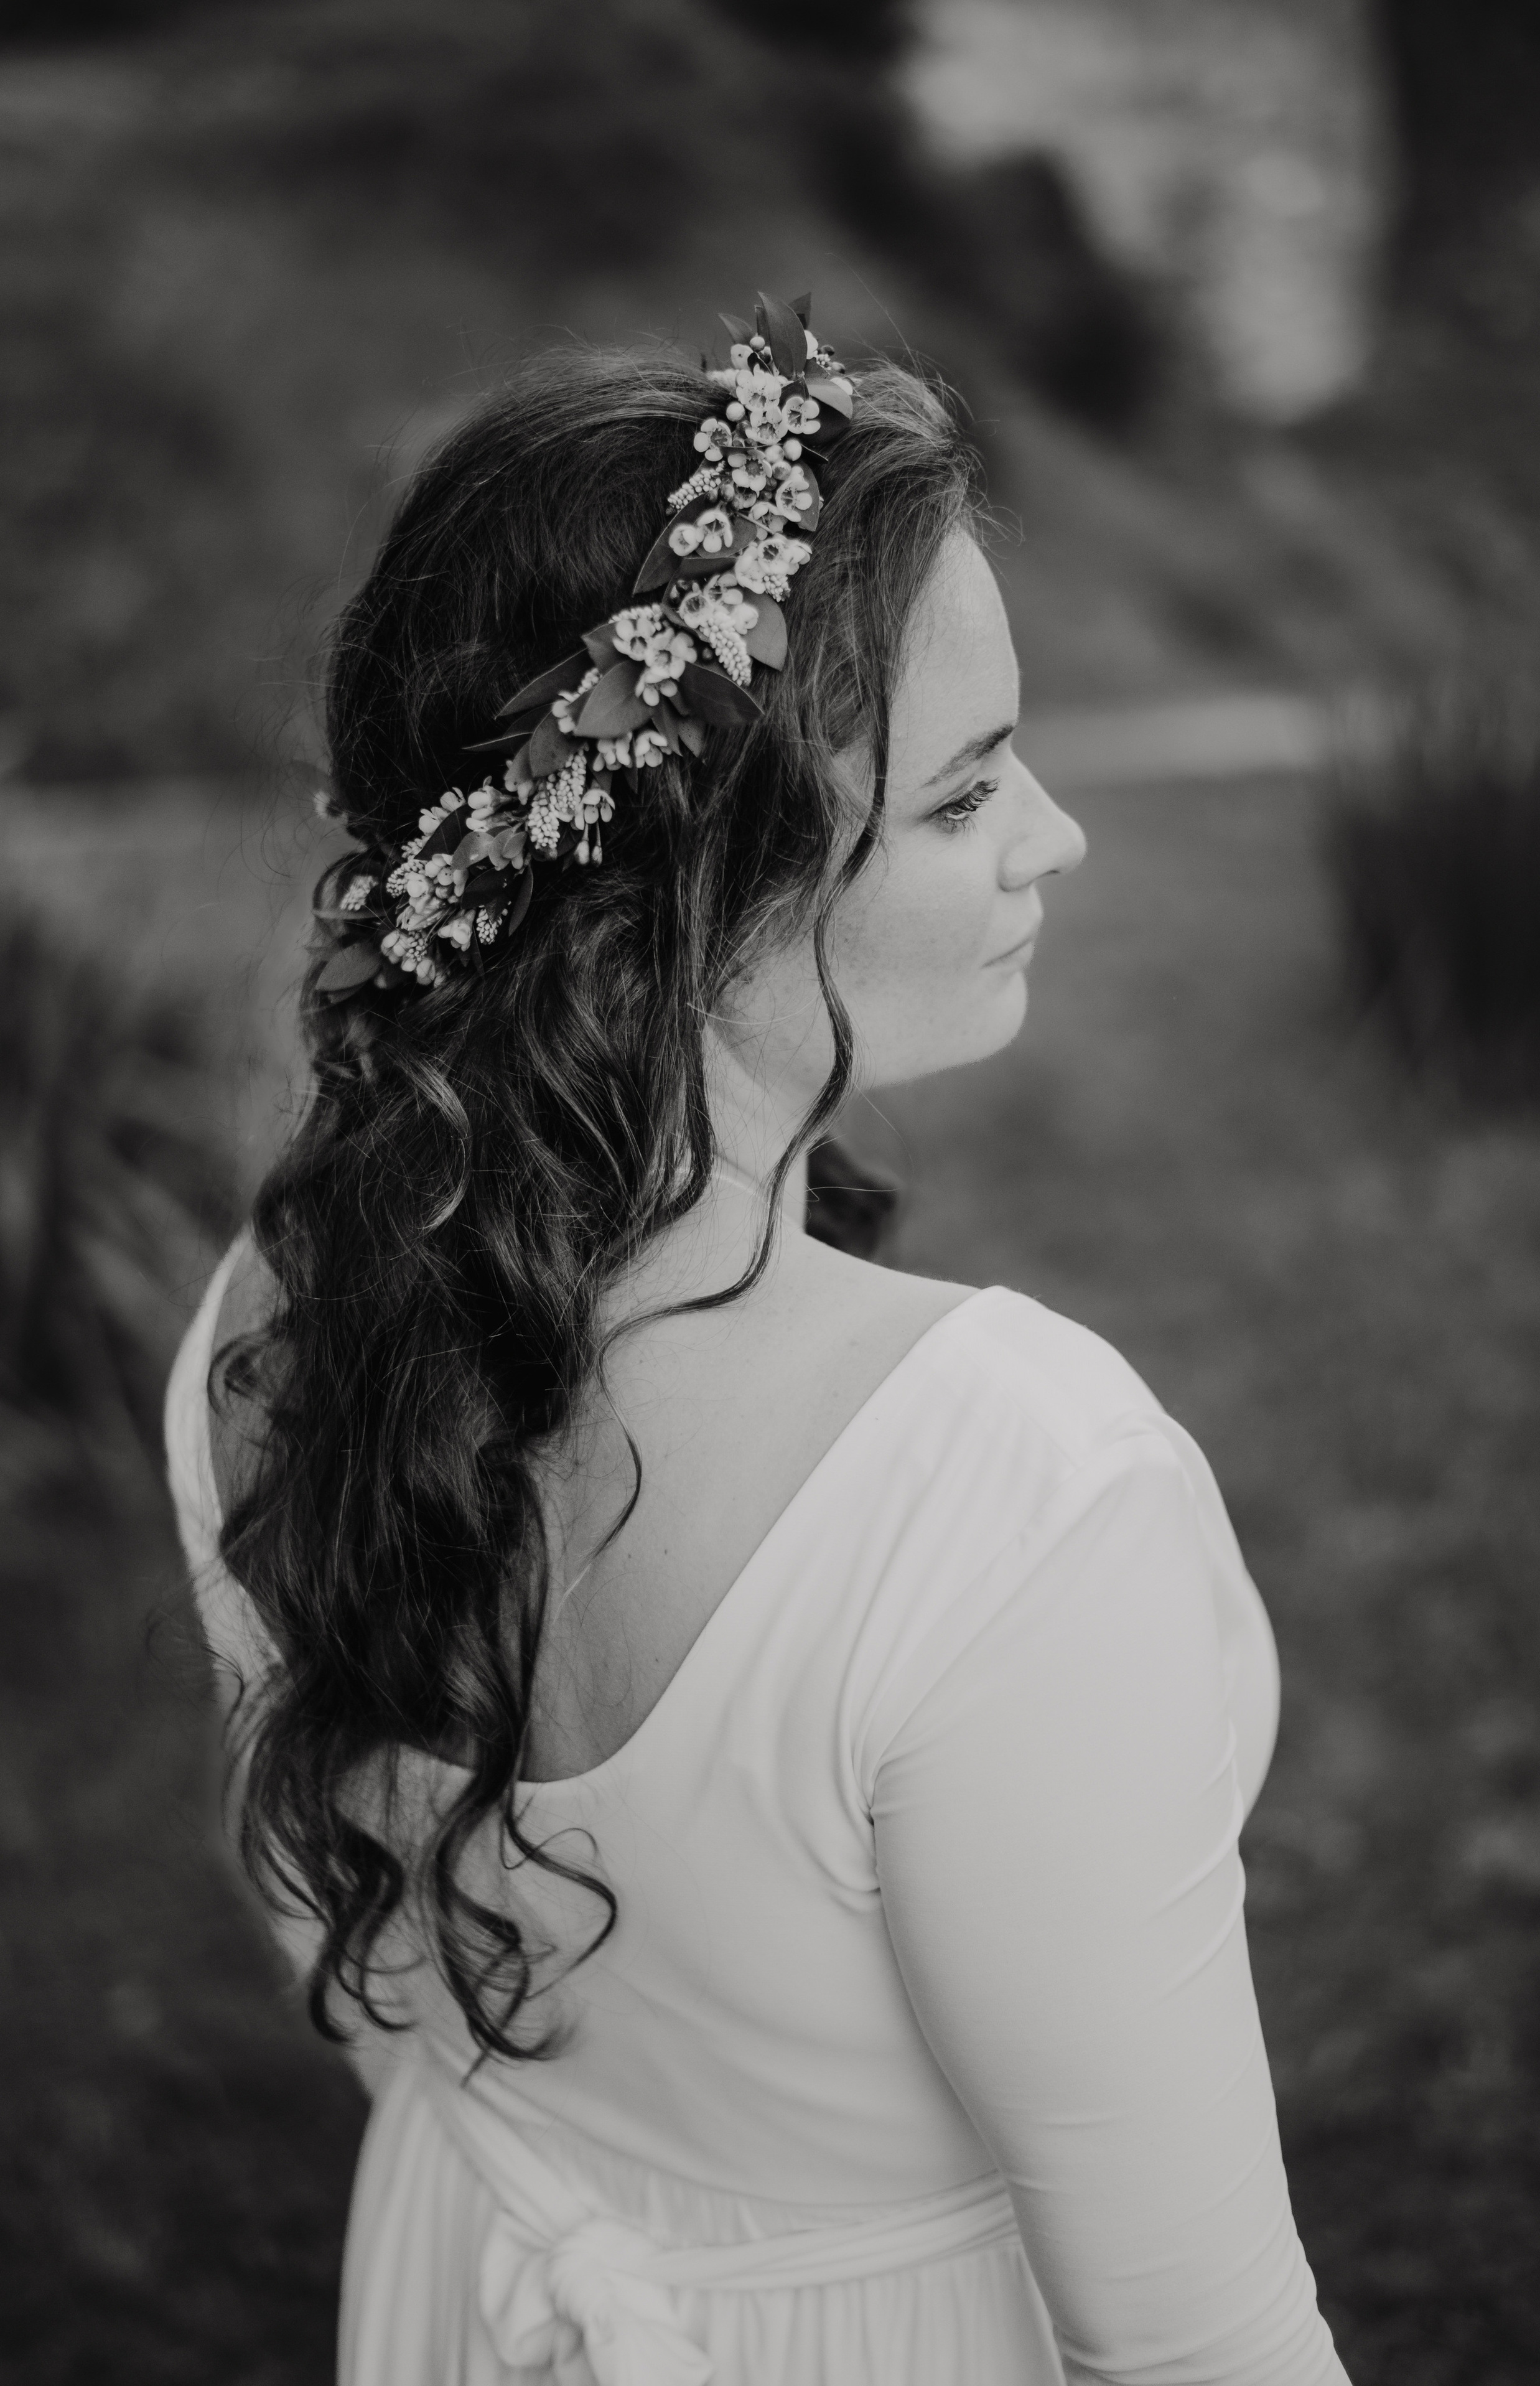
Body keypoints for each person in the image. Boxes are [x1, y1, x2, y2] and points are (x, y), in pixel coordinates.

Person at [165, 298, 1350, 2386]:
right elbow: (1199, 2346)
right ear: (692, 899)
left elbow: (358, 1983)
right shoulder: (1008, 1494)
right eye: (969, 791)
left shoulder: (261, 1339)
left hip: (464, 2292)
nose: (1054, 838)